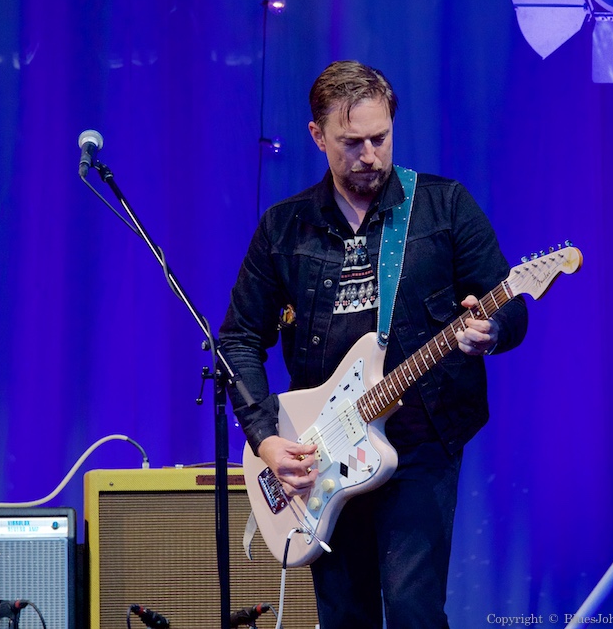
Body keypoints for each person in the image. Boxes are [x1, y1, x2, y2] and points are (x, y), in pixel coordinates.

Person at [220, 60, 528, 628]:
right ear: (317, 136)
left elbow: (508, 304)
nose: (370, 156)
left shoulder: (444, 206)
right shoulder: (283, 228)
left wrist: (493, 331)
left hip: (420, 441)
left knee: (413, 609)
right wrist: (265, 439)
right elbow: (238, 339)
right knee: (344, 616)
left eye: (380, 138)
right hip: (322, 448)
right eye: (351, 142)